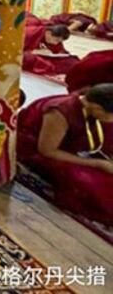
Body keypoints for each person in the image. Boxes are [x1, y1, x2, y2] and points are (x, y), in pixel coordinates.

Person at [17, 84, 113, 226]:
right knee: (86, 181)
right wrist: (97, 163)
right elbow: (47, 151)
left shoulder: (91, 109)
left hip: (67, 150)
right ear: (97, 108)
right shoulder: (60, 112)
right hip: (36, 151)